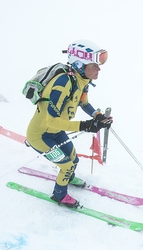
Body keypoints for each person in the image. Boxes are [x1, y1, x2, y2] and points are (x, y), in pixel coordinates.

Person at [26, 39, 112, 208]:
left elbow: (84, 103)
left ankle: (68, 178)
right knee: (66, 165)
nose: (99, 69)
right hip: (40, 135)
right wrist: (86, 125)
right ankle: (60, 195)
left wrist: (98, 116)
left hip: (56, 131)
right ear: (80, 64)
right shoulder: (63, 83)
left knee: (74, 159)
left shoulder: (81, 80)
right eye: (94, 65)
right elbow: (50, 120)